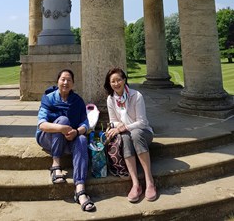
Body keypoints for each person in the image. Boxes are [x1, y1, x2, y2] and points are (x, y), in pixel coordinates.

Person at [36, 69, 96, 212]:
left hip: (70, 138)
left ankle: (80, 190)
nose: (65, 82)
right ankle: (55, 165)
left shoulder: (77, 101)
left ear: (73, 83)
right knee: (62, 121)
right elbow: (41, 124)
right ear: (58, 81)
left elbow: (85, 124)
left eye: (69, 80)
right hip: (47, 138)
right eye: (63, 79)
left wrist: (76, 132)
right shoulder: (48, 98)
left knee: (82, 139)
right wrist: (61, 128)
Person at [104, 67, 157, 203]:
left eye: (119, 80)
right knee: (126, 138)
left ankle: (149, 181)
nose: (116, 84)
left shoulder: (136, 96)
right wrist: (117, 128)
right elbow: (113, 121)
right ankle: (135, 184)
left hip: (143, 133)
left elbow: (142, 122)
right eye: (113, 81)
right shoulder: (111, 99)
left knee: (135, 134)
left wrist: (123, 127)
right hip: (126, 134)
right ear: (109, 84)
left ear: (124, 80)